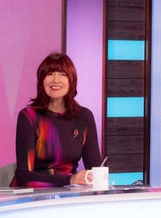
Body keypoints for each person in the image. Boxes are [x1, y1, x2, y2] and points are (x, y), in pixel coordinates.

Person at [11, 52, 102, 187]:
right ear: (41, 81)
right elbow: (24, 175)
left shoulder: (84, 117)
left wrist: (93, 179)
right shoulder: (28, 117)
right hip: (32, 195)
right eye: (50, 74)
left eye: (62, 74)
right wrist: (70, 180)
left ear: (72, 80)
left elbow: (96, 169)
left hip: (69, 194)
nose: (56, 80)